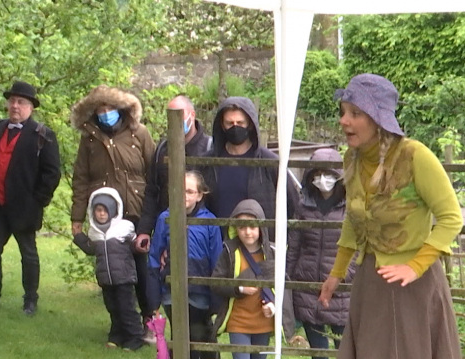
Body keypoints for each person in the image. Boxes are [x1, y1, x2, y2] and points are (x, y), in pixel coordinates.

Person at [308, 74, 465, 359]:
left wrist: (415, 267)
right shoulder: (353, 160)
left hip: (414, 292)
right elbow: (352, 227)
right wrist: (336, 275)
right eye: (344, 112)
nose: (345, 121)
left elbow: (451, 217)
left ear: (378, 118)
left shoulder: (415, 156)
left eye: (354, 113)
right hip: (374, 291)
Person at [70, 85, 156, 342]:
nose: (105, 113)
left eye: (110, 108)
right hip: (105, 216)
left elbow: (153, 173)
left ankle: (149, 319)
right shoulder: (89, 139)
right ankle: (120, 325)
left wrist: (156, 214)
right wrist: (77, 218)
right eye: (100, 109)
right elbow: (81, 179)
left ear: (121, 108)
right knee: (113, 271)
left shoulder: (139, 133)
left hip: (136, 211)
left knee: (142, 269)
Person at [0, 81, 61, 315]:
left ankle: (30, 300)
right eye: (12, 101)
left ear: (31, 107)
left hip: (24, 208)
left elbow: (52, 173)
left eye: (21, 102)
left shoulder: (43, 134)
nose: (15, 106)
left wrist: (38, 200)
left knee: (28, 254)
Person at [148, 171, 222, 359]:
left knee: (201, 333)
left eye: (189, 191)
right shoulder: (165, 218)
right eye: (180, 190)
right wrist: (154, 298)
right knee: (179, 335)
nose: (184, 196)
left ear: (200, 195)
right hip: (172, 291)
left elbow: (217, 262)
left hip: (201, 293)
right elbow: (154, 258)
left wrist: (216, 299)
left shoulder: (210, 222)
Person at [286, 148, 354, 359]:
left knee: (345, 350)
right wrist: (290, 277)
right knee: (318, 351)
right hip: (307, 287)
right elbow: (294, 245)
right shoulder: (303, 206)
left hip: (341, 288)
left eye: (328, 174)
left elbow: (359, 247)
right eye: (317, 174)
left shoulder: (352, 207)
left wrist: (346, 275)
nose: (322, 179)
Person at [211, 199, 293, 359]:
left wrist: (273, 305)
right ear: (235, 228)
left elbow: (282, 286)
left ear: (261, 227)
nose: (247, 232)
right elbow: (216, 283)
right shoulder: (229, 251)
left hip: (263, 321)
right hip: (238, 321)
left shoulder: (273, 252)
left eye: (252, 226)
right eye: (242, 227)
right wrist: (239, 288)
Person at [203, 96, 299, 225]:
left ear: (250, 124)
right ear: (222, 125)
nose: (235, 127)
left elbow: (292, 204)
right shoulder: (207, 163)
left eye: (240, 123)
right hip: (215, 242)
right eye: (229, 123)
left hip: (258, 243)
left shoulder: (270, 163)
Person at [135, 95, 212, 253]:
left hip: (201, 233)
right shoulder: (162, 149)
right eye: (171, 114)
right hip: (166, 230)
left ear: (192, 115)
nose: (175, 120)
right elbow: (152, 191)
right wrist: (144, 230)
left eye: (179, 114)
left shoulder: (210, 148)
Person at [73, 187, 146, 351]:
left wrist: (140, 245)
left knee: (126, 308)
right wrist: (78, 237)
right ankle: (116, 335)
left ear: (113, 210)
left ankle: (135, 337)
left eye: (105, 210)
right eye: (98, 210)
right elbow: (91, 249)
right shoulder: (93, 232)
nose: (101, 214)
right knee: (113, 308)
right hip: (105, 279)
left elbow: (134, 245)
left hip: (124, 277)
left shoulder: (124, 227)